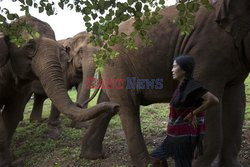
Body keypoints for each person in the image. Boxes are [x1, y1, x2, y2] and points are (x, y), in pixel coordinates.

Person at [150, 55, 219, 167]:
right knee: (156, 158)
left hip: (184, 137)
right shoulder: (182, 85)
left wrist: (194, 113)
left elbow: (213, 100)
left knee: (182, 164)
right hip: (174, 135)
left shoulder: (193, 86)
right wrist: (193, 112)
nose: (172, 70)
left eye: (175, 67)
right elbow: (191, 103)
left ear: (184, 69)